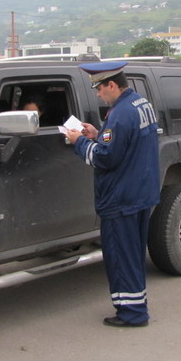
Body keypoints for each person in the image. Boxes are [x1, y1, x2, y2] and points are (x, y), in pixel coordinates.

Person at [64, 61, 160, 327]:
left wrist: (79, 142)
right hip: (140, 194)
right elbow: (125, 144)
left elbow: (105, 158)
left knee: (121, 256)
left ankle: (131, 314)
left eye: (99, 88)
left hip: (121, 199)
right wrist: (97, 134)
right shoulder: (141, 104)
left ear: (112, 85)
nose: (98, 94)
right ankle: (137, 305)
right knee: (134, 255)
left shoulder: (120, 114)